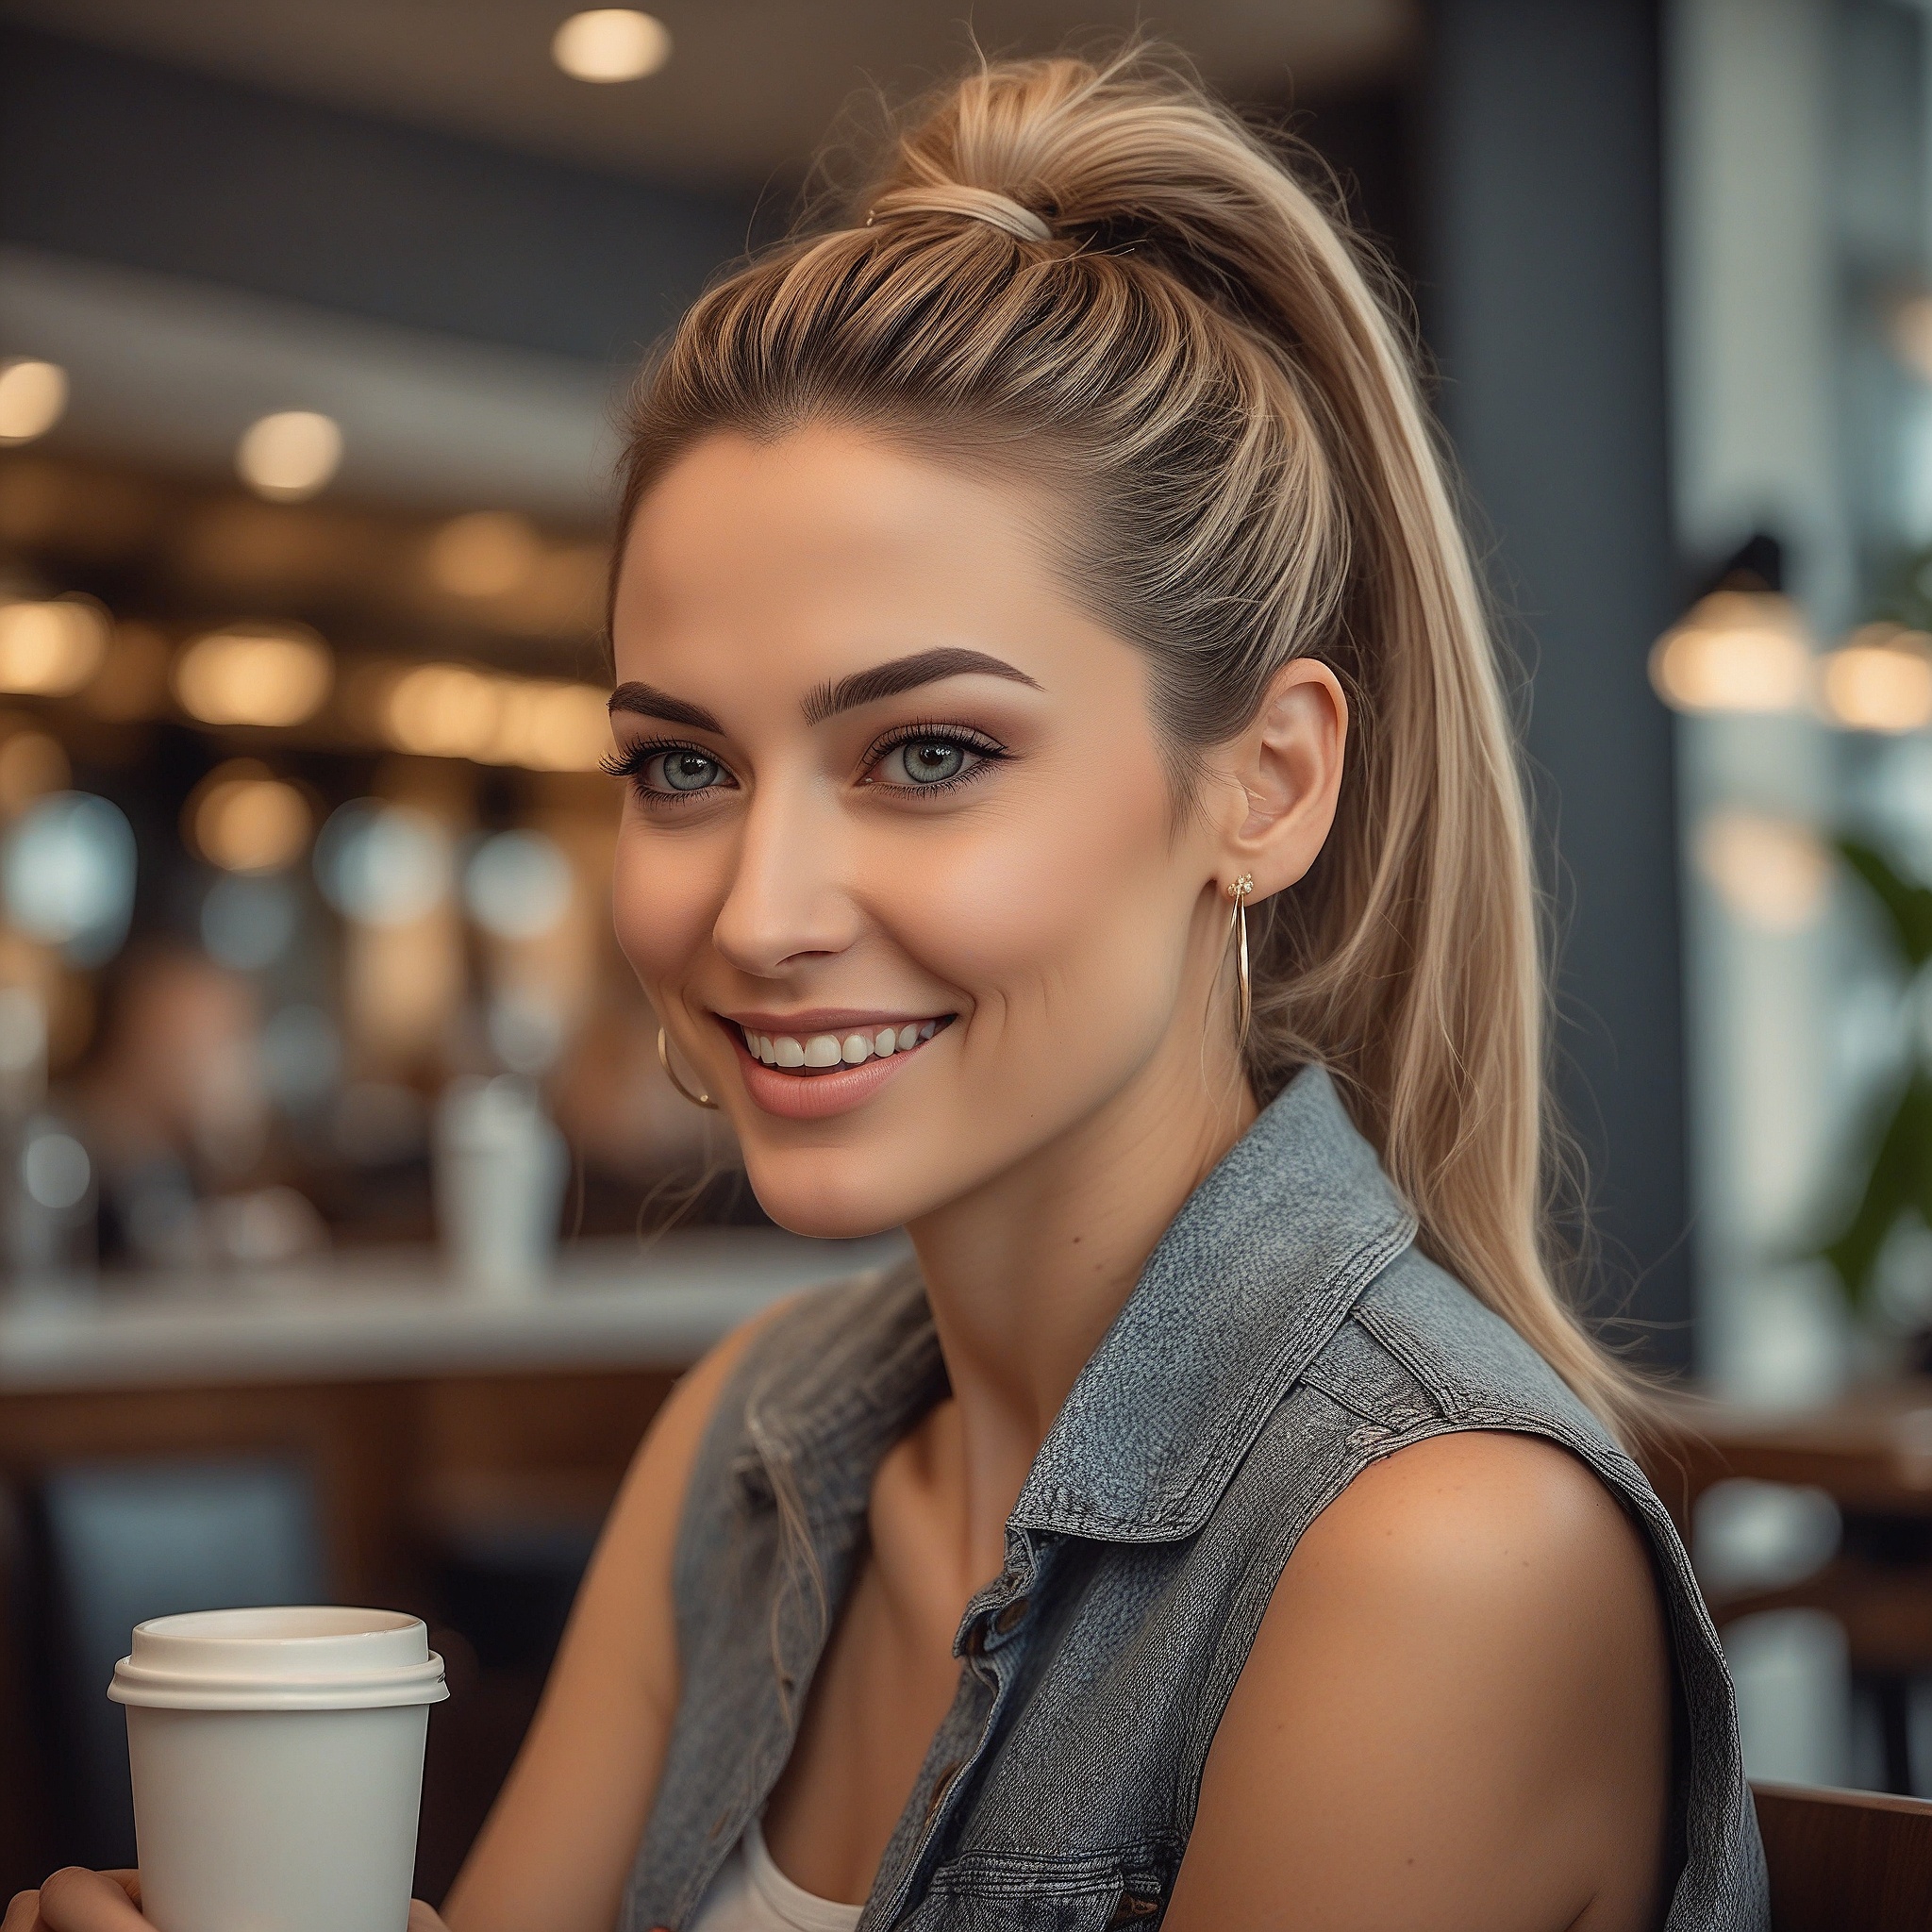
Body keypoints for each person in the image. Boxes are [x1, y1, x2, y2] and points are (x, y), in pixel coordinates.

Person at [8, 44, 1766, 1932]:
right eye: (683, 765)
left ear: (1264, 785)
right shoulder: (746, 1447)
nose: (757, 913)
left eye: (926, 752)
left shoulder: (1429, 1557)